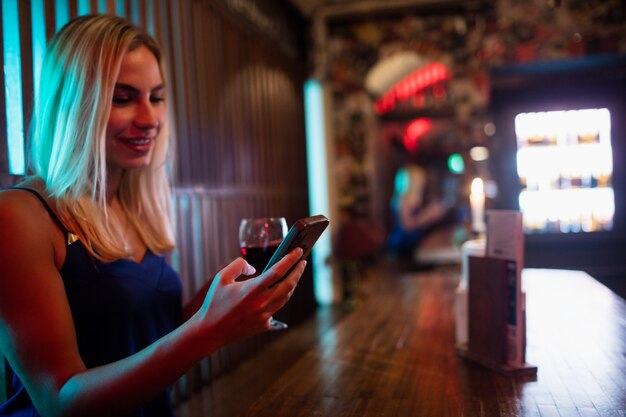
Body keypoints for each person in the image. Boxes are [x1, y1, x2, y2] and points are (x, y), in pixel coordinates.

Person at [0, 14, 306, 417]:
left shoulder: (134, 207)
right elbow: (60, 402)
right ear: (74, 104)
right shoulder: (19, 216)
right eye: (123, 98)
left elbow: (145, 339)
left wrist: (223, 297)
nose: (150, 120)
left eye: (157, 97)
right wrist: (209, 330)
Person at [386, 164, 449, 261]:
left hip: (411, 243)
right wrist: (428, 214)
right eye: (419, 181)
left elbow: (417, 225)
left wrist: (432, 216)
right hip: (402, 245)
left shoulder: (413, 200)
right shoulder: (403, 199)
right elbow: (407, 226)